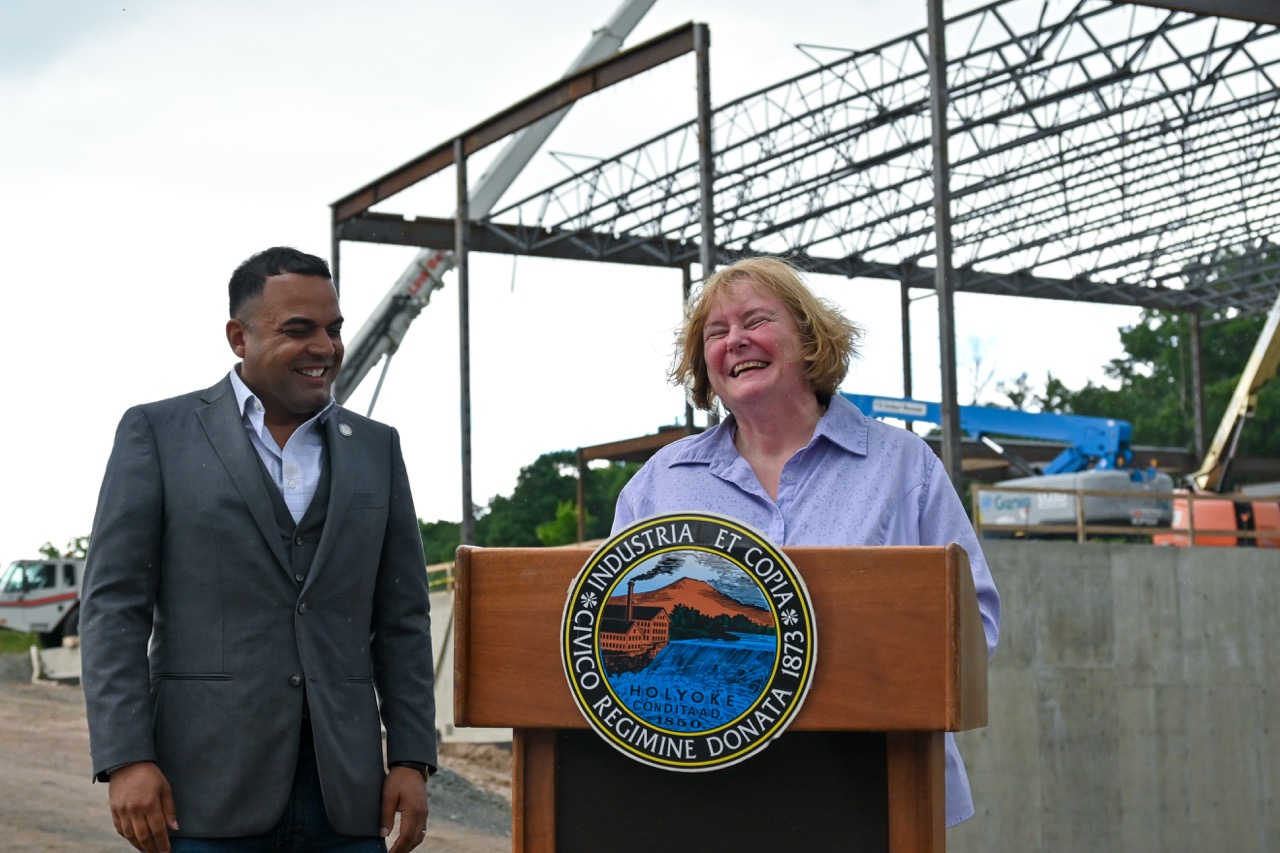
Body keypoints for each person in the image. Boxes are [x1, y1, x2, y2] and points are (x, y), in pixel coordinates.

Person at [612, 255, 1000, 827]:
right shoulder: (658, 485)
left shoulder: (901, 465)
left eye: (755, 321)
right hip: (707, 802)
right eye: (716, 333)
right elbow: (605, 634)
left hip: (878, 790)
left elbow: (976, 622)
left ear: (810, 337)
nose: (735, 340)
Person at [80, 247, 437, 853]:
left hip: (345, 797)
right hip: (201, 792)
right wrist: (126, 757)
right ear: (237, 336)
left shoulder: (377, 448)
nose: (323, 347)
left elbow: (402, 618)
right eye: (298, 330)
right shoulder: (157, 434)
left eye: (333, 329)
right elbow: (114, 609)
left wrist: (411, 756)